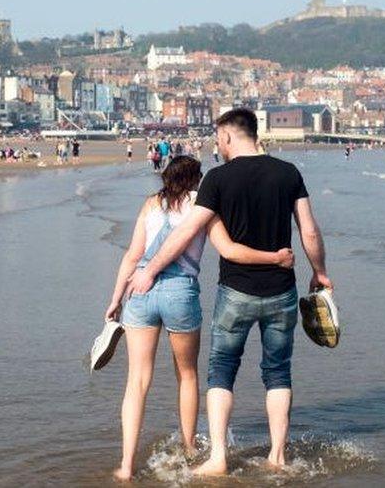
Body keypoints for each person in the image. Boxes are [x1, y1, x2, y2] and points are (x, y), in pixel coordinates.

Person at [127, 107, 332, 476]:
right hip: (281, 291)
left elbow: (188, 230)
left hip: (235, 291)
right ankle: (278, 457)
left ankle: (218, 458)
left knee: (221, 370)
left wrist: (151, 269)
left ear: (228, 136)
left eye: (218, 140)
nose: (217, 147)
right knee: (278, 372)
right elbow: (310, 232)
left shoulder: (218, 179)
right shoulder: (288, 174)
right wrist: (320, 272)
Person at [105, 156, 294, 482]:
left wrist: (115, 299)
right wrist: (276, 257)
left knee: (137, 381)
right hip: (180, 293)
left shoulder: (150, 204)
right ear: (196, 180)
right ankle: (190, 447)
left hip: (139, 289)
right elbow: (230, 250)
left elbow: (132, 255)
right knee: (187, 375)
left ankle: (125, 465)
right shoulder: (202, 204)